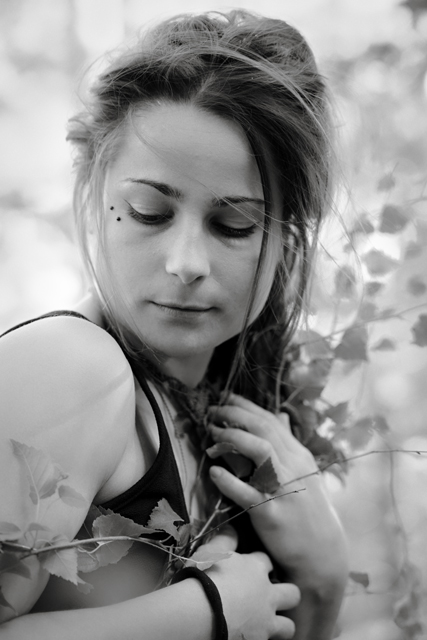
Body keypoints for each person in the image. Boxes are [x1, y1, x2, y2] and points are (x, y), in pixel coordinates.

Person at [0, 9, 348, 640]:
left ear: (285, 240)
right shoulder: (71, 368)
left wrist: (324, 578)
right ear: (94, 197)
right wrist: (206, 612)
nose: (187, 263)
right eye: (148, 211)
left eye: (234, 226)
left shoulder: (249, 414)